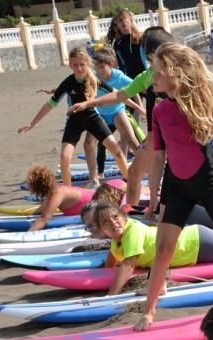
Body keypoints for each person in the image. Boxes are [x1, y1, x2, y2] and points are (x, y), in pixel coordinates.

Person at [132, 43, 213, 330]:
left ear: (176, 74)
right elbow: (158, 155)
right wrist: (153, 195)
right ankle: (149, 311)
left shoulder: (201, 104)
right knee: (163, 249)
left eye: (158, 73)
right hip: (176, 183)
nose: (153, 79)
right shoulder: (160, 111)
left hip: (208, 178)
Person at [69, 28, 175, 207]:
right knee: (134, 174)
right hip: (155, 137)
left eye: (149, 58)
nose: (148, 62)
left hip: (177, 137)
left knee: (187, 182)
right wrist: (88, 104)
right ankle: (132, 216)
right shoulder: (148, 75)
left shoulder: (185, 74)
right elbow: (121, 94)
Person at [18, 48, 130, 187]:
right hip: (74, 121)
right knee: (65, 157)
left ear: (87, 64)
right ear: (70, 65)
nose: (79, 68)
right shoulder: (68, 83)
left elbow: (117, 94)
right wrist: (32, 123)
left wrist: (138, 107)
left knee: (117, 151)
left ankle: (131, 183)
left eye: (82, 64)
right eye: (75, 64)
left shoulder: (95, 80)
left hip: (93, 118)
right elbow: (50, 104)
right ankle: (68, 191)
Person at [93, 201, 213, 295]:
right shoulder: (116, 240)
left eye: (115, 217)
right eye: (106, 221)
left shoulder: (132, 230)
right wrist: (106, 273)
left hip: (196, 242)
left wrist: (111, 295)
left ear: (124, 217)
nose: (113, 222)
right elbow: (113, 255)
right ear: (102, 230)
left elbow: (128, 264)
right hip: (194, 248)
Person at [90, 47, 145, 184]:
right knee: (102, 144)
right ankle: (100, 173)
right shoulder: (93, 77)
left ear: (110, 64)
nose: (99, 71)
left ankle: (146, 165)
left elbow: (135, 88)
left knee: (131, 140)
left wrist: (140, 106)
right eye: (97, 67)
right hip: (101, 113)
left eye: (102, 67)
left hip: (117, 111)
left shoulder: (119, 76)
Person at [23, 164, 125, 232]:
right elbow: (41, 210)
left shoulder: (58, 193)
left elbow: (45, 218)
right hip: (110, 189)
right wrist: (28, 217)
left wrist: (27, 235)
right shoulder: (55, 192)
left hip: (112, 193)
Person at [112, 9, 146, 80]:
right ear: (117, 25)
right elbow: (120, 64)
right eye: (120, 20)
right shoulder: (117, 43)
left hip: (145, 77)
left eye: (125, 19)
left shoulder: (141, 38)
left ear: (131, 21)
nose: (123, 22)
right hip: (130, 80)